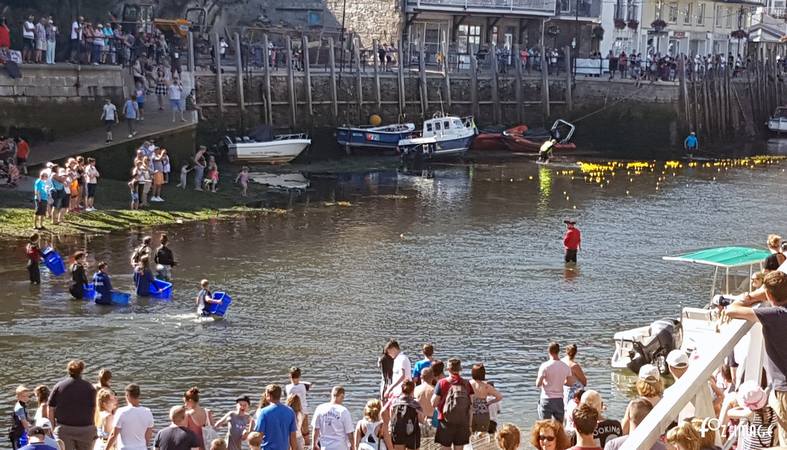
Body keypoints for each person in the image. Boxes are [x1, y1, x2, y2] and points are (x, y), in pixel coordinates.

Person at [724, 270, 787, 446]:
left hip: (784, 389)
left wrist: (747, 297)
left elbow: (732, 310)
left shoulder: (774, 316)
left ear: (768, 294)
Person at [48, 360, 97, 450]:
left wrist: (52, 427)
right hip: (86, 428)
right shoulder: (89, 387)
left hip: (64, 428)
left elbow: (51, 407)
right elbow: (95, 408)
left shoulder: (59, 386)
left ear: (68, 370)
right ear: (82, 370)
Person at [430, 357, 473, 450]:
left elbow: (433, 403)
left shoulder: (442, 383)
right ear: (460, 369)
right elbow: (471, 406)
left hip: (445, 421)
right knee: (459, 448)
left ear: (448, 369)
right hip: (462, 422)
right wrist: (469, 425)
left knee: (445, 448)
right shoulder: (466, 383)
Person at [664, 350, 715, 422]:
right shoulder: (704, 384)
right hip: (708, 427)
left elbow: (672, 419)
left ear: (670, 367)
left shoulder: (669, 393)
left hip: (686, 430)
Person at [725, 381, 777, 449]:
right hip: (767, 447)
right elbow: (775, 432)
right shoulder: (772, 411)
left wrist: (743, 407)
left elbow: (729, 413)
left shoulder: (750, 414)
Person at [105, 384, 155, 450]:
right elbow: (149, 433)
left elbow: (113, 435)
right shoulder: (148, 412)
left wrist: (106, 449)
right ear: (138, 395)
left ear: (127, 396)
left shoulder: (121, 412)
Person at [620, 364, 663, 434]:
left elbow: (623, 430)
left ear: (639, 383)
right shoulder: (664, 402)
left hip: (637, 442)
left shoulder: (634, 405)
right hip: (658, 442)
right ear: (659, 382)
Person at [537, 342, 573, 422]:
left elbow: (538, 384)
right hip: (559, 399)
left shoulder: (545, 366)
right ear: (558, 351)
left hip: (546, 399)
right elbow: (570, 383)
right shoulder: (566, 367)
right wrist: (560, 382)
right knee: (559, 427)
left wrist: (544, 382)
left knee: (545, 426)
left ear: (549, 351)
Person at [253, 384, 297, 450]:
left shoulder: (263, 412)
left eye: (266, 394)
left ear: (269, 396)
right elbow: (293, 436)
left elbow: (258, 435)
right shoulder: (290, 411)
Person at [311, 386, 354, 450]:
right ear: (342, 396)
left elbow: (316, 429)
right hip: (340, 447)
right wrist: (353, 446)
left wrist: (314, 444)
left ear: (331, 395)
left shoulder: (320, 408)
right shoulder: (343, 411)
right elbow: (350, 433)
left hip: (325, 447)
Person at [389, 380, 422, 450]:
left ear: (402, 389)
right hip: (412, 433)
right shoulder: (415, 404)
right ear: (413, 390)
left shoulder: (394, 402)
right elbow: (421, 419)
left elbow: (391, 418)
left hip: (397, 432)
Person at [468, 364, 502, 434]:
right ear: (483, 373)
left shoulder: (468, 384)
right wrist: (490, 402)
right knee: (483, 434)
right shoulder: (486, 386)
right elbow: (499, 397)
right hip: (483, 414)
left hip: (471, 413)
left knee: (471, 436)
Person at [562, 345, 587, 411]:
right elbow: (584, 381)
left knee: (566, 411)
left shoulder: (561, 362)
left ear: (566, 352)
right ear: (575, 353)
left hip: (564, 389)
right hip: (575, 393)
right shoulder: (574, 366)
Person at [10, 385, 32, 450]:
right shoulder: (19, 408)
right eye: (23, 396)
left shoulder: (23, 405)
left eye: (27, 396)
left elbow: (28, 418)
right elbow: (24, 421)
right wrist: (30, 432)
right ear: (17, 397)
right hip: (17, 434)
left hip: (21, 431)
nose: (26, 398)